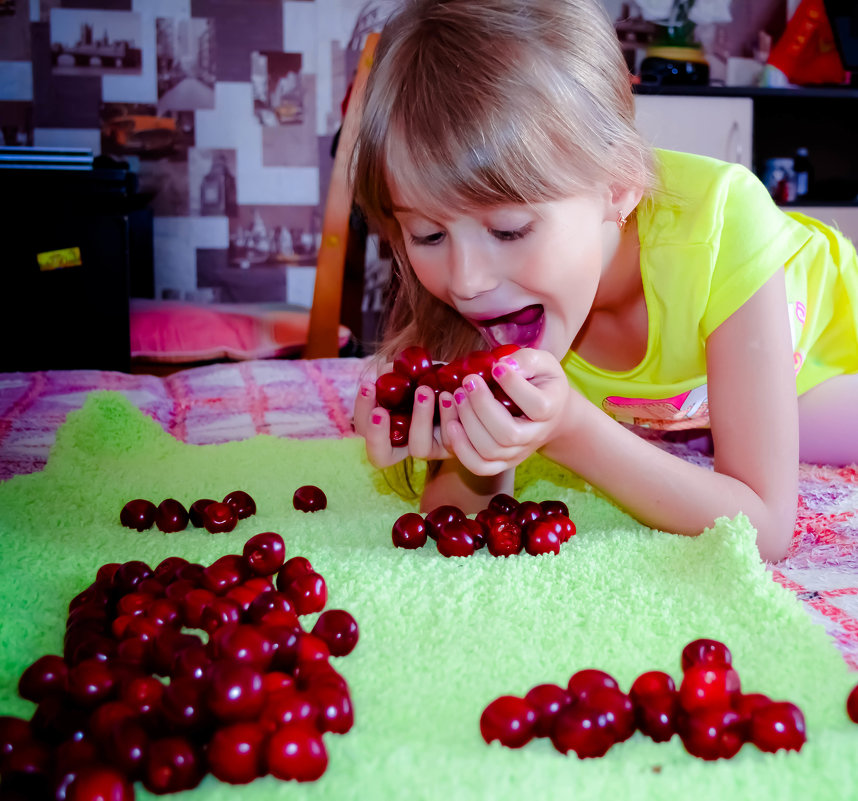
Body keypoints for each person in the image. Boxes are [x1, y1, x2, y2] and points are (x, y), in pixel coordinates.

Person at [350, 0, 858, 562]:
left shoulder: (723, 225)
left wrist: (570, 429)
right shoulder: (495, 301)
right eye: (428, 236)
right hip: (691, 403)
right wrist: (469, 442)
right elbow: (462, 519)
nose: (466, 282)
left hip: (818, 354)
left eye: (511, 230)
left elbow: (764, 531)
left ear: (617, 187)